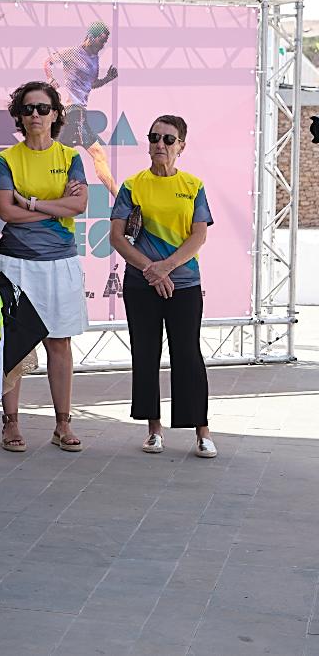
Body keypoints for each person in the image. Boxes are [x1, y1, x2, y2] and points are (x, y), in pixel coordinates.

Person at [109, 115, 217, 458]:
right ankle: (153, 429)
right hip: (142, 285)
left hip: (183, 284)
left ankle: (201, 431)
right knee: (145, 353)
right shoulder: (132, 186)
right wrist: (150, 271)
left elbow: (198, 236)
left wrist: (166, 268)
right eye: (154, 137)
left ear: (181, 146)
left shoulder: (194, 186)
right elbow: (117, 237)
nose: (160, 144)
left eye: (168, 139)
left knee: (187, 354)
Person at [0, 81, 89, 454]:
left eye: (43, 108)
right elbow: (6, 211)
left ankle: (63, 424)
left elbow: (78, 205)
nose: (35, 115)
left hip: (60, 262)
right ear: (19, 115)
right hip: (15, 264)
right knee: (13, 346)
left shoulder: (70, 157)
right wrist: (55, 207)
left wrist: (31, 204)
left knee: (59, 343)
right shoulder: (7, 159)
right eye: (28, 108)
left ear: (55, 115)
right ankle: (11, 423)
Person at [42, 21, 119, 193]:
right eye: (101, 40)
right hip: (72, 112)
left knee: (60, 160)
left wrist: (107, 79)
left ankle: (45, 196)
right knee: (97, 154)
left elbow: (92, 84)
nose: (103, 45)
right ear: (91, 37)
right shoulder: (73, 52)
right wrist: (51, 80)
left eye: (105, 42)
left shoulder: (95, 60)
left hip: (77, 113)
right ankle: (120, 198)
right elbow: (47, 62)